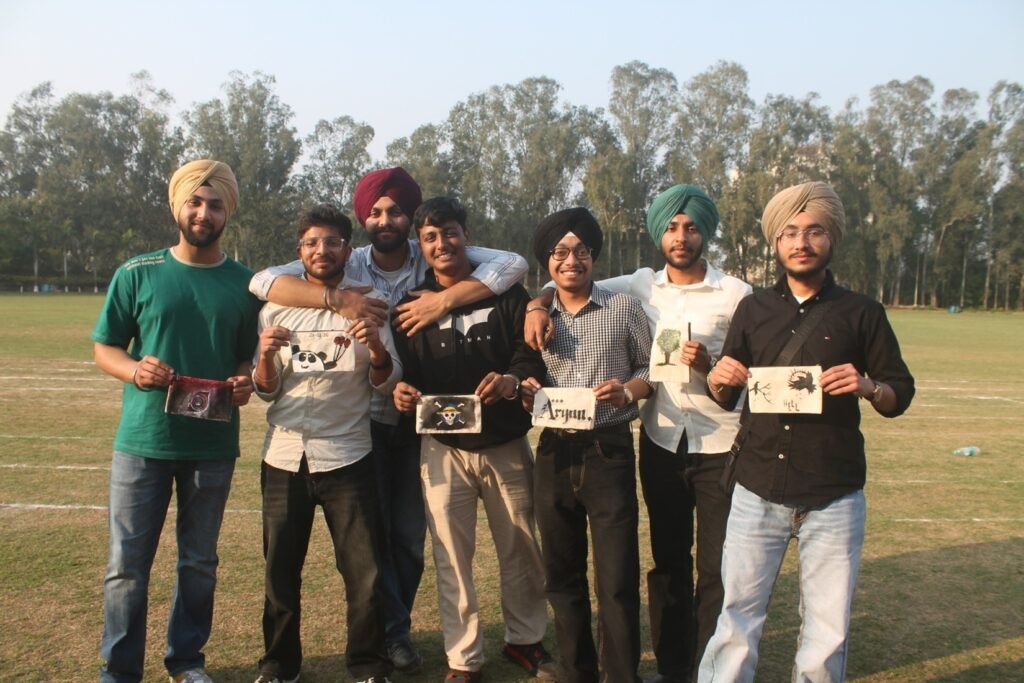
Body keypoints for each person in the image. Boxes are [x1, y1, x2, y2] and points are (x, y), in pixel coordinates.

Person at [248, 168, 528, 672]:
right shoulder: (347, 257)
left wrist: (444, 298)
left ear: (411, 217)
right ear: (363, 218)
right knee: (367, 549)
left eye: (396, 210)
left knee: (408, 538)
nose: (386, 219)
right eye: (375, 211)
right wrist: (337, 297)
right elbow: (263, 281)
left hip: (418, 421)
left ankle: (391, 635)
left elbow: (514, 263)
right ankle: (389, 636)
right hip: (362, 422)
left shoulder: (431, 248)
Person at [525, 185, 751, 681]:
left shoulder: (734, 294)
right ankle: (671, 669)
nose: (681, 236)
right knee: (667, 563)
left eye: (691, 227)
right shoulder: (640, 285)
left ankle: (707, 670)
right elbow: (568, 274)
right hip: (662, 440)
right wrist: (536, 304)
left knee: (715, 569)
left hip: (719, 441)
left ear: (704, 233)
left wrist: (700, 367)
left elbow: (745, 368)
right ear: (659, 233)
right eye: (672, 226)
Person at [698, 181, 915, 682]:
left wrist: (867, 385)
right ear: (776, 242)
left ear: (831, 240)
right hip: (757, 488)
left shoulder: (862, 312)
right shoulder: (753, 309)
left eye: (813, 231)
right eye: (791, 232)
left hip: (833, 492)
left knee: (827, 630)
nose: (801, 242)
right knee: (736, 620)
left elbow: (898, 393)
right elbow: (725, 393)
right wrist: (718, 377)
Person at [91, 160, 262, 683]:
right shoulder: (137, 272)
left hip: (212, 444)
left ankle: (186, 662)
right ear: (178, 206)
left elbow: (245, 357)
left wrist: (243, 381)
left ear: (226, 211)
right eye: (195, 201)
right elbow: (105, 346)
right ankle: (119, 672)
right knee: (126, 568)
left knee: (198, 564)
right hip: (143, 442)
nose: (203, 212)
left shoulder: (245, 284)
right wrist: (135, 370)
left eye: (214, 204)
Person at [391, 197, 556, 683]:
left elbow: (530, 359)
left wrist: (511, 380)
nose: (442, 244)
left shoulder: (506, 293)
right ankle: (463, 658)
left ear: (467, 234)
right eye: (430, 237)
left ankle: (525, 640)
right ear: (420, 247)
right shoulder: (408, 307)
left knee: (521, 546)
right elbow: (405, 372)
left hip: (503, 441)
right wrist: (402, 391)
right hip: (442, 448)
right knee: (450, 555)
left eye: (450, 233)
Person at [252, 204, 398, 683]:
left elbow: (387, 382)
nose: (322, 250)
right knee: (280, 572)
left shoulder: (371, 301)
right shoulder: (276, 307)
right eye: (312, 243)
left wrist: (376, 347)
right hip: (284, 455)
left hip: (348, 454)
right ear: (300, 252)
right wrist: (266, 361)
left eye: (332, 242)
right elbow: (265, 389)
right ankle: (278, 665)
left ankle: (367, 665)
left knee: (364, 575)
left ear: (346, 250)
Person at [519, 208, 653, 683]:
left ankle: (621, 674)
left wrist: (626, 391)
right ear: (547, 262)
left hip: (608, 449)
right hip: (554, 450)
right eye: (559, 252)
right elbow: (521, 368)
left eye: (580, 251)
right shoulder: (534, 315)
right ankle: (577, 671)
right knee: (562, 573)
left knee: (616, 578)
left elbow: (649, 368)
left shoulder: (623, 308)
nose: (570, 260)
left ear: (593, 256)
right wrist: (526, 389)